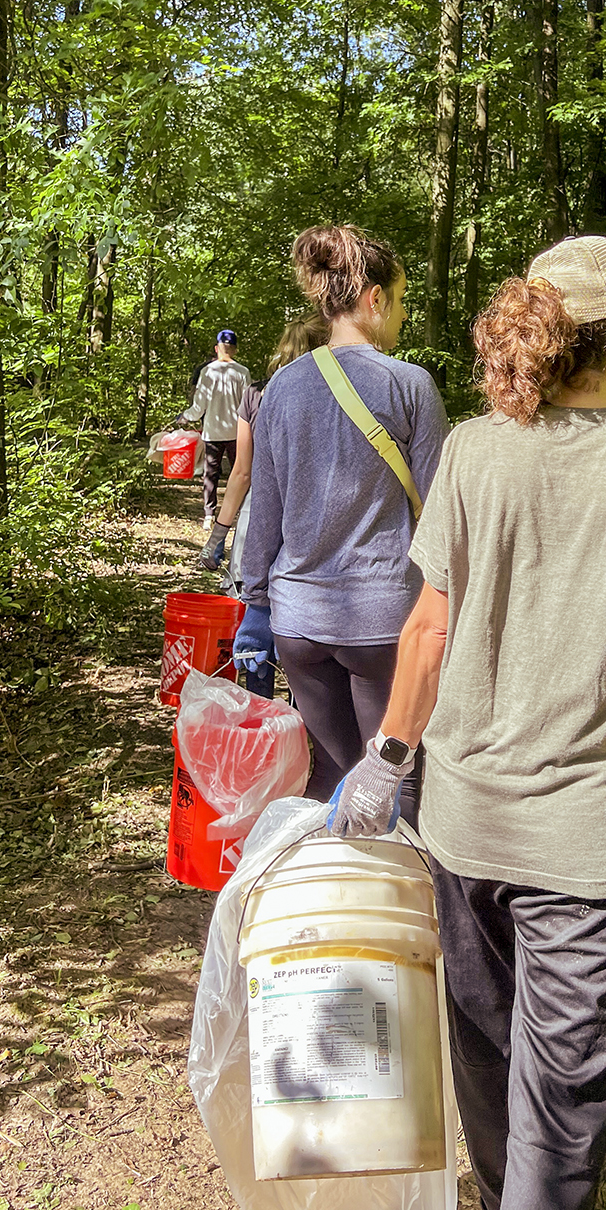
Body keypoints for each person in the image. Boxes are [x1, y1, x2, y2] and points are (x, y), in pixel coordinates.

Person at [327, 234, 606, 1210]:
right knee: (561, 1106)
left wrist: (386, 761)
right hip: (595, 849)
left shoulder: (474, 451)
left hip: (463, 827)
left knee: (484, 1052)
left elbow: (427, 626)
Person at [235, 224, 449, 825]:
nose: (402, 315)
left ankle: (327, 908)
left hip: (300, 624)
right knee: (394, 777)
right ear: (375, 299)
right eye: (402, 300)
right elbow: (441, 512)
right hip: (385, 622)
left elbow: (265, 508)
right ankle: (394, 911)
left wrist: (255, 606)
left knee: (328, 772)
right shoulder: (410, 386)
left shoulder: (280, 387)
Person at [200, 312, 328, 595]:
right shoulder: (332, 398)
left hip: (258, 515)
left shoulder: (256, 394)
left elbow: (242, 473)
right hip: (314, 516)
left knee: (250, 602)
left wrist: (218, 534)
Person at [181, 330, 250, 528]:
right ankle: (239, 513)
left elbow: (199, 406)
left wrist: (185, 417)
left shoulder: (207, 372)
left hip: (213, 431)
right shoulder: (242, 372)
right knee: (240, 473)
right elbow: (248, 405)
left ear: (216, 348)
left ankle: (209, 515)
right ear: (235, 349)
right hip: (237, 432)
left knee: (210, 474)